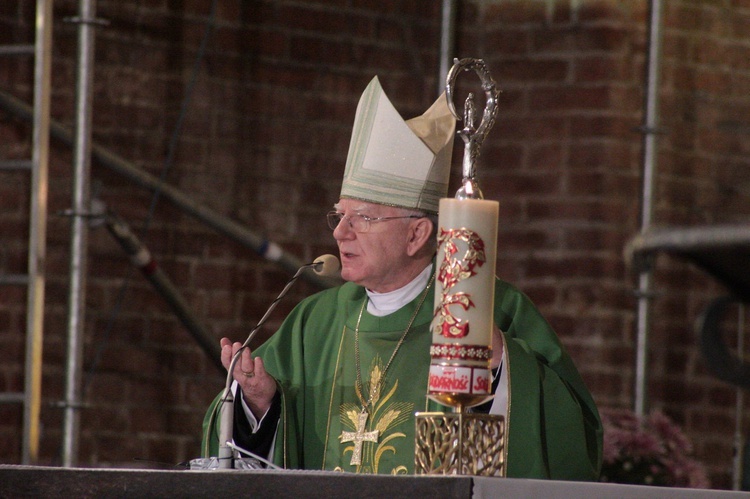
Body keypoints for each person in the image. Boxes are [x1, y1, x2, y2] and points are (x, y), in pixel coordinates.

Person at [202, 76, 602, 479]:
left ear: (416, 234)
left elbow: (573, 442)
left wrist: (501, 369)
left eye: (364, 218)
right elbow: (231, 456)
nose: (341, 231)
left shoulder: (487, 308)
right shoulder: (314, 323)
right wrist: (259, 404)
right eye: (340, 215)